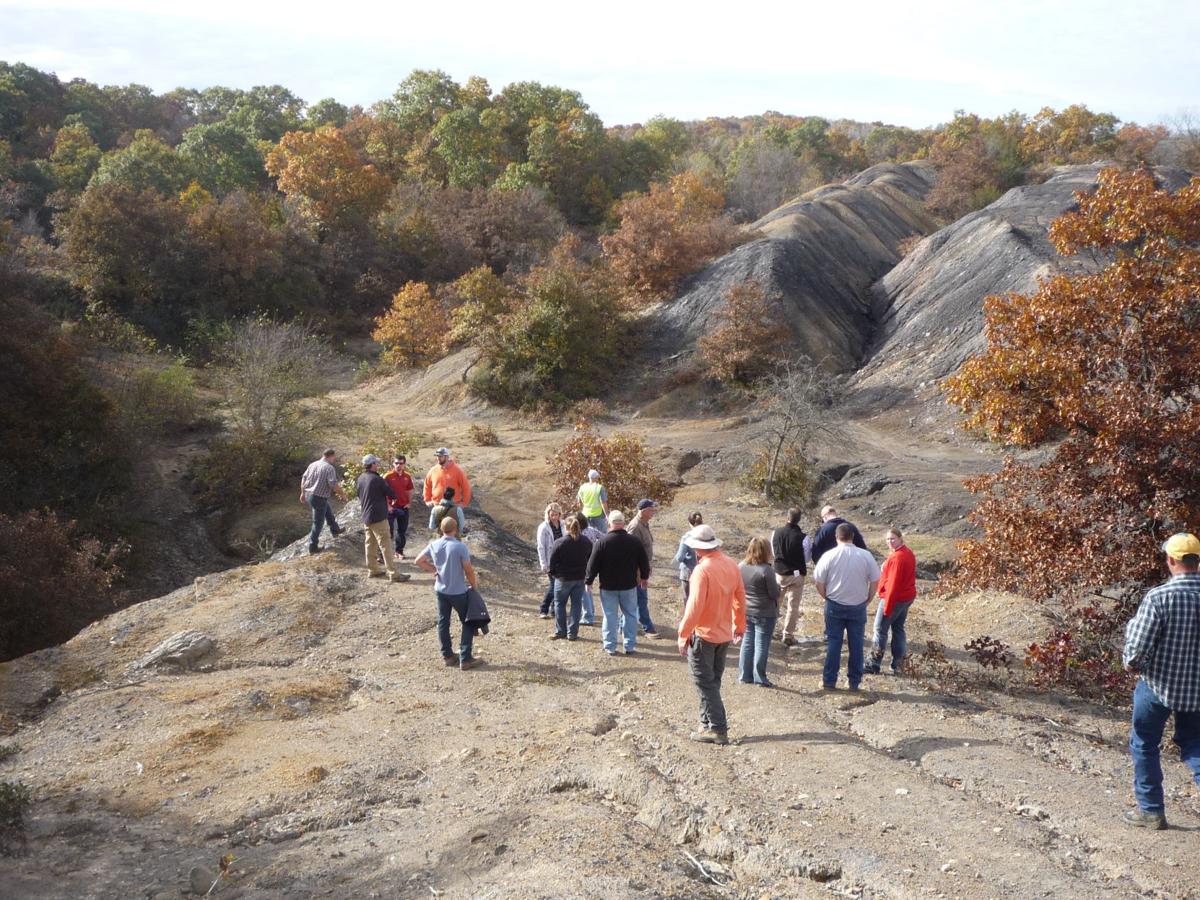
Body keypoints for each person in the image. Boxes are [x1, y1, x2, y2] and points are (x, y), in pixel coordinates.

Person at [1121, 532, 1200, 830]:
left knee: (1144, 743)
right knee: (1195, 745)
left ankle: (1152, 811)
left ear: (1170, 560)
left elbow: (1138, 647)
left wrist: (1132, 665)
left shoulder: (1159, 597)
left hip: (1157, 685)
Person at [677, 525, 746, 745]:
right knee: (712, 681)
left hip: (704, 635)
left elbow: (694, 606)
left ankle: (718, 728)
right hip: (724, 633)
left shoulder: (702, 570)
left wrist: (683, 633)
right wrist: (739, 625)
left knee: (705, 683)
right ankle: (706, 724)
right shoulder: (731, 564)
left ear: (698, 548)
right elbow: (740, 598)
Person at [812, 523, 880, 691]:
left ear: (836, 537)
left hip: (834, 603)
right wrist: (869, 598)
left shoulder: (829, 555)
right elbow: (875, 580)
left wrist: (826, 596)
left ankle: (829, 680)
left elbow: (818, 582)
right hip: (857, 605)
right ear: (853, 536)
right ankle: (854, 682)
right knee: (856, 645)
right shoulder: (866, 556)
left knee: (834, 643)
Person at [416, 516, 481, 670]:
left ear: (441, 529)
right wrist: (474, 585)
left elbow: (418, 561)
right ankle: (465, 658)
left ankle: (447, 656)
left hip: (440, 590)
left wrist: (435, 570)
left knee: (443, 622)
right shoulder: (460, 547)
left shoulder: (434, 544)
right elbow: (468, 569)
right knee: (468, 622)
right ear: (456, 528)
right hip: (458, 591)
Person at [585, 510, 650, 656]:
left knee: (609, 616)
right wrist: (644, 577)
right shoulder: (634, 541)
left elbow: (592, 564)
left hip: (608, 586)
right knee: (630, 615)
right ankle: (629, 645)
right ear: (623, 523)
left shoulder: (601, 542)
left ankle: (610, 646)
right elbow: (643, 561)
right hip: (629, 585)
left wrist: (589, 581)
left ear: (609, 523)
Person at [865, 528, 917, 675]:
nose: (890, 542)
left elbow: (893, 584)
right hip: (906, 597)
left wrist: (887, 607)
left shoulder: (897, 558)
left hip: (894, 598)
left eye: (893, 539)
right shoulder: (907, 552)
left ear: (901, 539)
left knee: (880, 629)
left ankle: (873, 664)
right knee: (898, 628)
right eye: (888, 539)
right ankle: (899, 665)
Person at [355, 454, 409, 583]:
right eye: (376, 463)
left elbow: (358, 494)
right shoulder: (377, 479)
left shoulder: (361, 478)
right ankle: (393, 574)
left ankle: (373, 570)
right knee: (386, 545)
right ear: (372, 464)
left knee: (370, 544)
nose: (377, 465)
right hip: (379, 517)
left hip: (366, 516)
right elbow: (390, 493)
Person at [739, 536, 781, 687]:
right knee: (761, 645)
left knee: (748, 642)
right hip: (764, 612)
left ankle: (745, 675)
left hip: (747, 610)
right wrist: (780, 588)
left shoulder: (741, 566)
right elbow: (774, 594)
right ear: (766, 551)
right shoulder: (767, 570)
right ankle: (759, 677)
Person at [549, 514, 593, 641]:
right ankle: (572, 633)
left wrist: (554, 574)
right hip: (579, 578)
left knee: (559, 604)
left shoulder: (560, 542)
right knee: (576, 605)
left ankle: (560, 631)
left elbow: (552, 562)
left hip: (563, 578)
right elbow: (590, 559)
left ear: (566, 527)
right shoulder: (586, 541)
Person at [771, 508, 808, 647]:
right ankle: (788, 634)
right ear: (799, 519)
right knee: (793, 606)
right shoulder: (803, 537)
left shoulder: (776, 533)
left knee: (775, 603)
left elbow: (775, 552)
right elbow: (807, 557)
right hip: (796, 574)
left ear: (787, 517)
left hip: (779, 573)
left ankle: (771, 629)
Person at [300, 448, 346, 554]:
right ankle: (313, 547)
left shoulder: (313, 464)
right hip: (317, 497)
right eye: (334, 457)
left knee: (327, 510)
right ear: (331, 456)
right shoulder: (329, 468)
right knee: (318, 523)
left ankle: (335, 529)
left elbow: (304, 478)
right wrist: (342, 495)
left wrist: (302, 493)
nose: (334, 459)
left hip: (310, 495)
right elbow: (333, 485)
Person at [628, 499, 659, 636]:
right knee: (639, 599)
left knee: (638, 599)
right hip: (637, 571)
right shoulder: (635, 527)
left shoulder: (644, 524)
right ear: (644, 511)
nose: (654, 512)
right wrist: (640, 571)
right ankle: (647, 627)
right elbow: (631, 552)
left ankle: (627, 626)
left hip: (643, 568)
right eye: (652, 510)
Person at [536, 503, 564, 619]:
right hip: (550, 560)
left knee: (559, 586)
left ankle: (554, 610)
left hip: (562, 560)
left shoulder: (563, 525)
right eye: (552, 515)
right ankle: (544, 608)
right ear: (548, 514)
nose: (554, 517)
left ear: (559, 514)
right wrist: (543, 564)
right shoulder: (543, 527)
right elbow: (541, 546)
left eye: (556, 515)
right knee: (554, 586)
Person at [384, 454, 414, 558]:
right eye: (396, 463)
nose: (398, 465)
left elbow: (409, 490)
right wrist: (388, 506)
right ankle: (384, 554)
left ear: (404, 464)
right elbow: (381, 492)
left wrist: (409, 503)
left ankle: (399, 551)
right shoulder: (387, 476)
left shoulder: (407, 476)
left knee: (402, 531)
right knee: (388, 532)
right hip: (391, 509)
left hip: (403, 507)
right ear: (393, 463)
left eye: (401, 463)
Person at [575, 512, 602, 626]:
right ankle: (590, 612)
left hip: (581, 564)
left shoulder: (577, 534)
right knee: (588, 589)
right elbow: (604, 537)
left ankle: (587, 616)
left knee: (583, 591)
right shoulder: (592, 530)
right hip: (592, 563)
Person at [672, 512, 704, 603]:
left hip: (688, 572)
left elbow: (679, 558)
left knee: (688, 599)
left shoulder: (686, 537)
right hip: (704, 571)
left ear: (689, 523)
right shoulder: (707, 535)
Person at [576, 469, 609, 534]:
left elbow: (578, 501)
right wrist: (607, 515)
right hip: (598, 515)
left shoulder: (582, 487)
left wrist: (581, 513)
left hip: (586, 515)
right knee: (603, 534)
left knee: (589, 534)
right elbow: (603, 503)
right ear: (596, 477)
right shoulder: (599, 487)